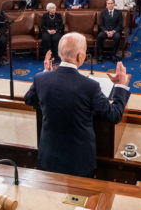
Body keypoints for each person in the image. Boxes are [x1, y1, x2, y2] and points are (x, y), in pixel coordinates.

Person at [24, 33, 130, 177]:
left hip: (48, 156)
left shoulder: (40, 79)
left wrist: (46, 74)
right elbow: (114, 115)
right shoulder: (90, 86)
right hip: (79, 161)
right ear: (80, 57)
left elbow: (29, 100)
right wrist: (121, 86)